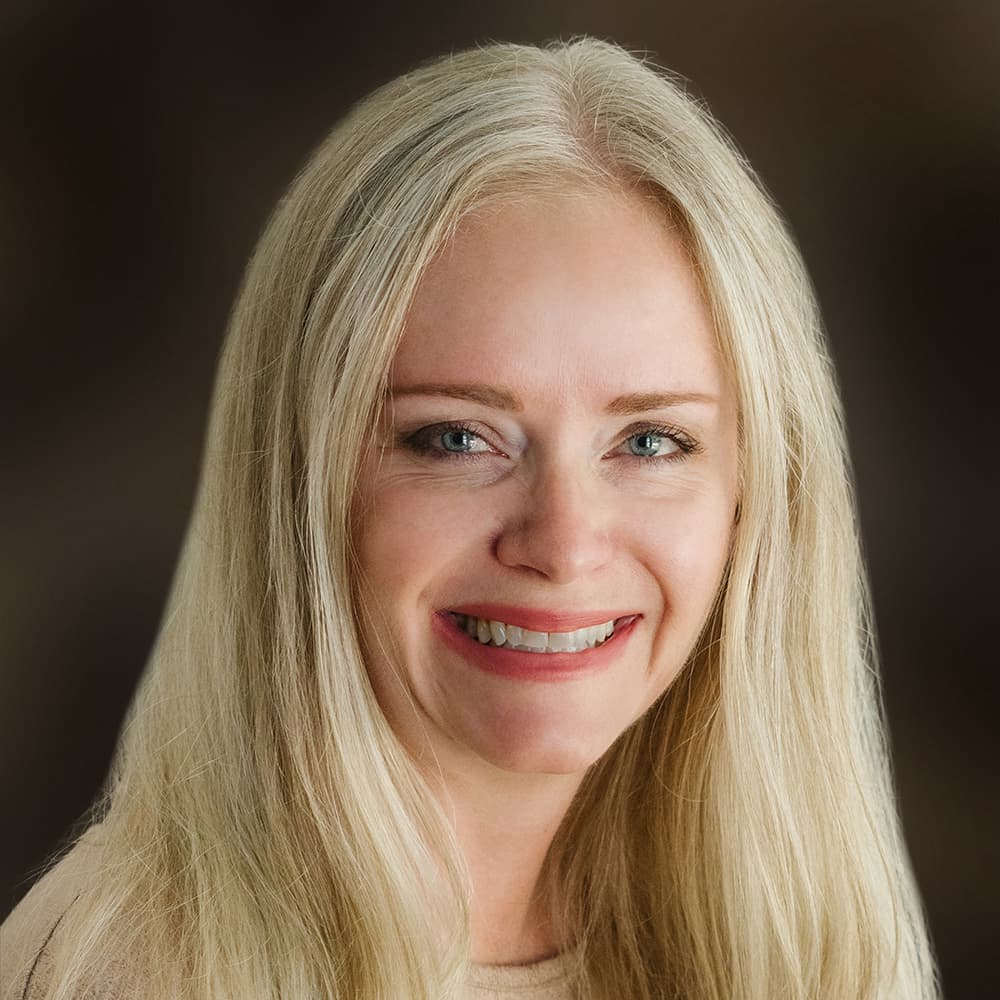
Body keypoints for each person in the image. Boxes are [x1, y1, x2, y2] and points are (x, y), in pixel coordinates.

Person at [0, 37, 939, 999]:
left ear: (756, 499)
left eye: (652, 442)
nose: (565, 546)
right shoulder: (109, 971)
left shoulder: (818, 948)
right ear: (299, 487)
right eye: (456, 439)